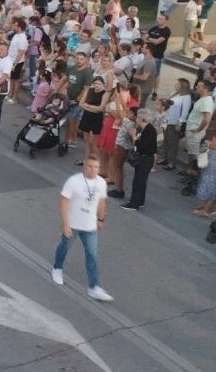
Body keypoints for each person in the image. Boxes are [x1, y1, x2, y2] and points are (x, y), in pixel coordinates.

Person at [51, 159, 113, 301]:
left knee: (92, 256)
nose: (93, 169)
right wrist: (66, 224)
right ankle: (57, 268)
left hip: (90, 226)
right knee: (64, 247)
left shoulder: (101, 183)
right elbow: (63, 203)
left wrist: (101, 219)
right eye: (90, 166)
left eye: (96, 166)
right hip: (73, 224)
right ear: (84, 166)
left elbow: (102, 202)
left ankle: (94, 287)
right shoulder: (73, 181)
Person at [121, 109, 157, 211]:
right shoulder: (146, 129)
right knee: (141, 181)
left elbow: (142, 146)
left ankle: (134, 204)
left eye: (138, 117)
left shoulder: (148, 130)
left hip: (145, 158)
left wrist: (134, 137)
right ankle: (139, 200)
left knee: (138, 181)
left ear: (142, 118)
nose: (136, 119)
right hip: (146, 158)